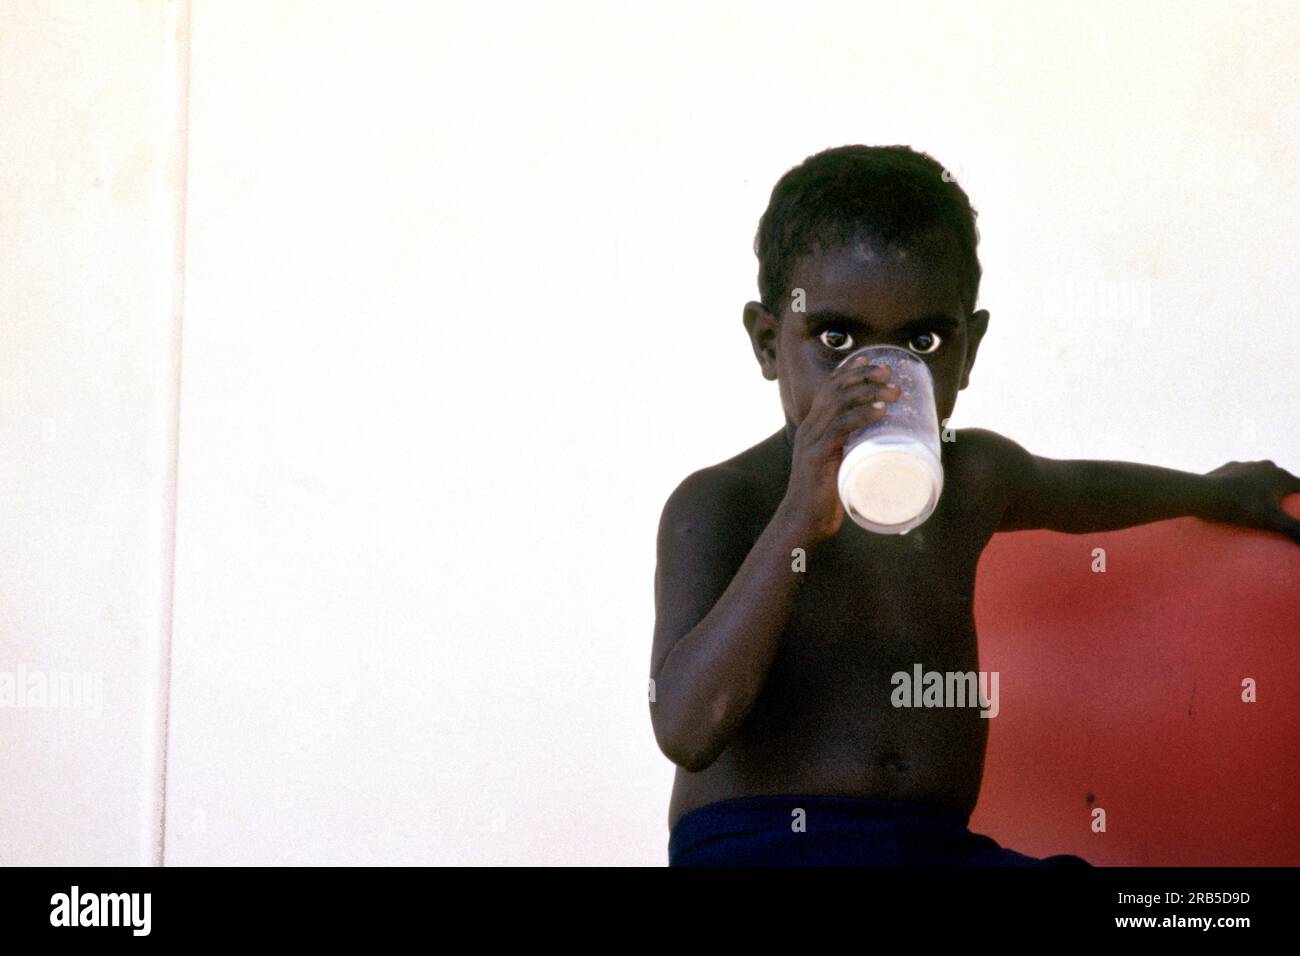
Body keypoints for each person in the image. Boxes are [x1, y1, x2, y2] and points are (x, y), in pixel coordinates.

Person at [649, 144, 1300, 866]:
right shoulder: (722, 502)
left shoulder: (973, 475)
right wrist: (799, 517)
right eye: (836, 340)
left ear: (969, 349)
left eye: (924, 341)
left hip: (937, 852)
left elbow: (1083, 491)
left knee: (1193, 915)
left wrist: (1218, 490)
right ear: (770, 342)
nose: (881, 379)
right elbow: (686, 729)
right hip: (767, 847)